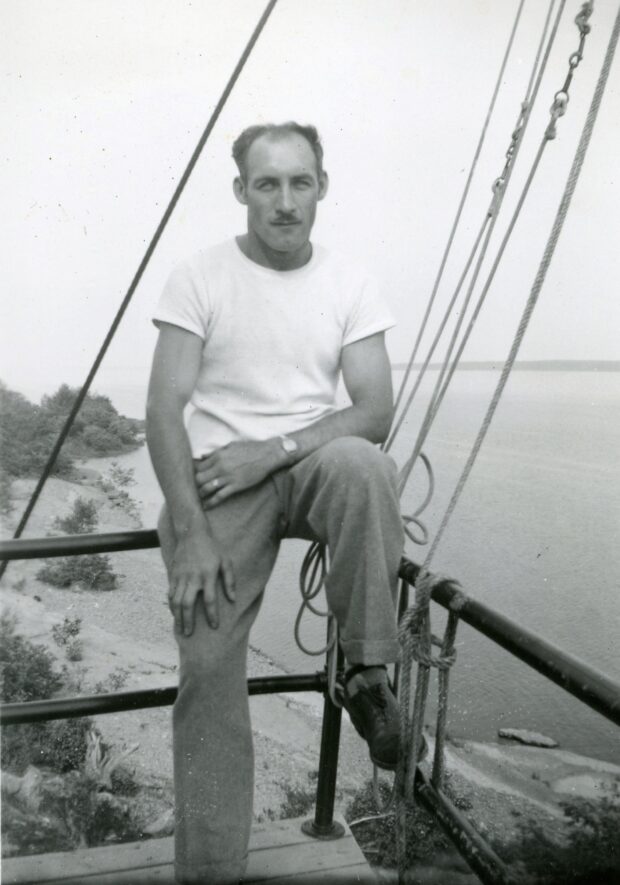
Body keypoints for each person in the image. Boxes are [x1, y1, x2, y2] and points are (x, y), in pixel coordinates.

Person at [146, 122, 405, 884]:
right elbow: (162, 410)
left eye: (300, 182)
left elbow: (374, 411)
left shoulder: (350, 281)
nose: (285, 201)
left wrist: (278, 448)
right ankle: (212, 871)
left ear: (322, 185)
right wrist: (188, 531)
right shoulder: (199, 276)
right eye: (268, 183)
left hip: (307, 465)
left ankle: (366, 672)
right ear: (242, 191)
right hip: (221, 484)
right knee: (209, 670)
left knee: (365, 466)